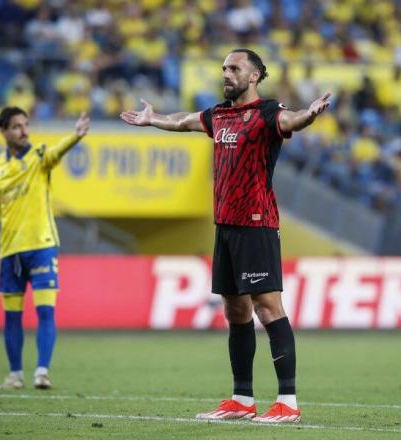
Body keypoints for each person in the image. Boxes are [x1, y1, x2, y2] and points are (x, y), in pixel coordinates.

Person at [120, 48, 331, 423]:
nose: (226, 74)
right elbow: (184, 121)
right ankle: (242, 399)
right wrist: (154, 120)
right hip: (226, 225)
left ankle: (288, 402)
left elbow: (290, 120)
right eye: (224, 68)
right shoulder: (219, 115)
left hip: (257, 223)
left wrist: (308, 115)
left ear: (254, 76)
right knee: (236, 311)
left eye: (235, 68)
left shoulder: (266, 113)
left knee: (268, 308)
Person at [0, 107, 90, 390]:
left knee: (46, 312)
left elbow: (56, 153)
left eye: (26, 125)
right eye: (16, 126)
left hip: (42, 246)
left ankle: (41, 372)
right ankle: (15, 375)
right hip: (10, 251)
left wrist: (75, 136)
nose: (24, 131)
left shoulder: (39, 157)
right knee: (12, 316)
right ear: (3, 131)